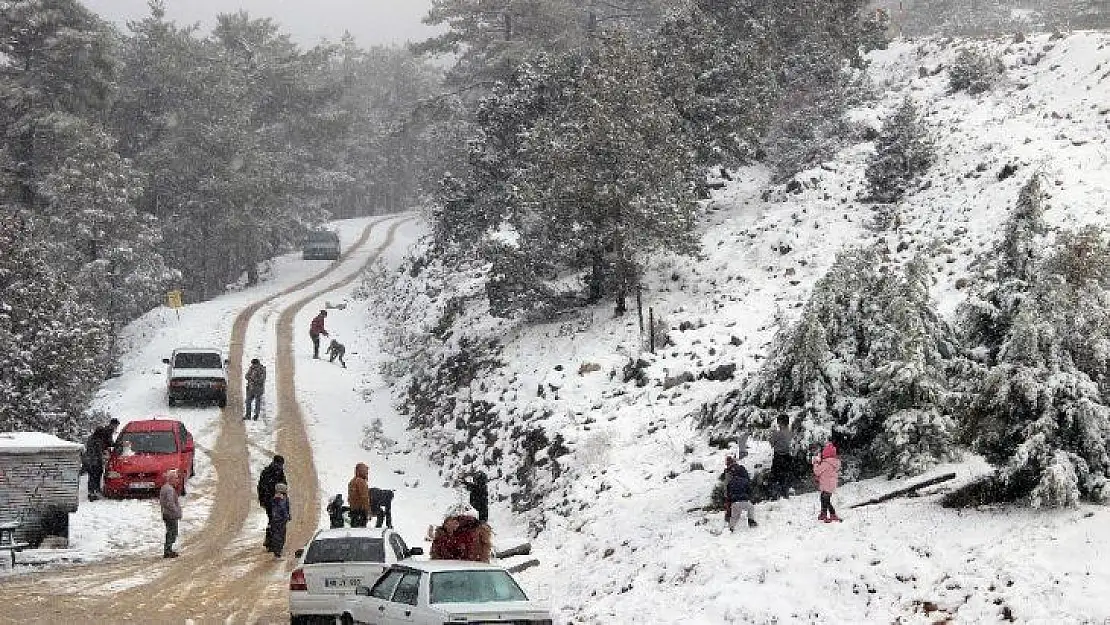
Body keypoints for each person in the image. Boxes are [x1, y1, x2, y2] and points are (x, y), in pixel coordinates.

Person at [84, 417, 119, 501]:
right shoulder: (99, 440)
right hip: (95, 460)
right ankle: (94, 492)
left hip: (89, 460)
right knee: (96, 475)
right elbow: (101, 449)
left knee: (92, 476)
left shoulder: (91, 438)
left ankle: (92, 492)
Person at [257, 455, 287, 549]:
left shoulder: (278, 472)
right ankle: (271, 540)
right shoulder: (268, 472)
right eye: (280, 464)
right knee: (273, 520)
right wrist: (263, 499)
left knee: (274, 520)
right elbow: (261, 487)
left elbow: (284, 485)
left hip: (275, 500)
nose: (281, 466)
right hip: (270, 500)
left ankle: (271, 539)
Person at [723, 456, 757, 531]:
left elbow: (727, 487)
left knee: (734, 514)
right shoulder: (742, 472)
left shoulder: (729, 474)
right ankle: (751, 521)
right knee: (750, 507)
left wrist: (728, 496)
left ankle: (730, 526)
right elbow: (748, 487)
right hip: (744, 497)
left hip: (734, 500)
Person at [813, 442, 843, 523]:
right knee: (824, 498)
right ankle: (825, 514)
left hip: (826, 484)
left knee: (825, 499)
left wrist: (815, 463)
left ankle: (828, 514)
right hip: (831, 485)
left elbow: (817, 471)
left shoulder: (826, 463)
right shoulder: (835, 462)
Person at [159, 469, 182, 558]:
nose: (177, 480)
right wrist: (176, 512)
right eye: (176, 478)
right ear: (171, 479)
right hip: (170, 515)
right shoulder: (169, 489)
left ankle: (168, 549)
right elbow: (170, 503)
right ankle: (168, 550)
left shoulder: (165, 488)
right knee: (172, 532)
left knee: (171, 532)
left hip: (166, 514)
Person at [769, 415, 792, 499]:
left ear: (781, 423)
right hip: (788, 457)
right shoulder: (791, 432)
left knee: (775, 476)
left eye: (779, 422)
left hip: (778, 456)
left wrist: (773, 434)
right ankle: (785, 494)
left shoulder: (778, 434)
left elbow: (771, 442)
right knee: (785, 475)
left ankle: (775, 495)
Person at [268, 483, 291, 558]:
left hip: (276, 520)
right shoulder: (282, 498)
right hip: (280, 520)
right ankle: (278, 551)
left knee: (277, 535)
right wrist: (286, 516)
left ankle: (277, 550)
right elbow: (283, 508)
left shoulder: (275, 498)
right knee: (280, 535)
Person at [347, 462, 371, 527]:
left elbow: (350, 498)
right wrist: (367, 510)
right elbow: (364, 497)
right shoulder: (361, 482)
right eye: (366, 471)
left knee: (354, 529)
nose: (367, 473)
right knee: (361, 531)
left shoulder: (352, 481)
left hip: (353, 510)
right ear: (361, 471)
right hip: (361, 511)